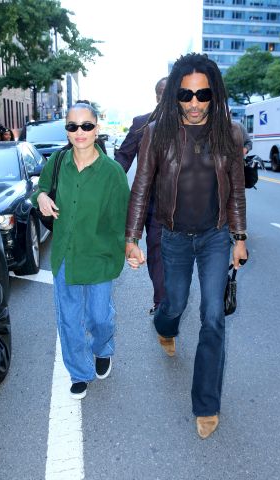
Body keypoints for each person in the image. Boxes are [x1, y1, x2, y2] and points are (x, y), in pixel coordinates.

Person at [125, 53, 248, 439]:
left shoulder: (227, 133)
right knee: (173, 305)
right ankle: (165, 327)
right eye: (186, 94)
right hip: (173, 236)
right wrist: (132, 237)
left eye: (202, 94)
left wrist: (239, 238)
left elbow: (237, 191)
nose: (194, 103)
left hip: (214, 238)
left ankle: (207, 404)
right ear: (174, 95)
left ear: (214, 93)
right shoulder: (156, 132)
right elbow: (142, 186)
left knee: (213, 316)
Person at [31, 103, 130, 400]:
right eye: (73, 126)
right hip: (65, 255)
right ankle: (79, 371)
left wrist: (128, 248)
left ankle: (103, 348)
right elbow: (40, 188)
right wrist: (42, 197)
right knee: (70, 319)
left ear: (97, 129)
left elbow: (121, 220)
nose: (80, 132)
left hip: (99, 257)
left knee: (100, 317)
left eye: (86, 126)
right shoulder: (58, 161)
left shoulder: (112, 173)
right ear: (67, 130)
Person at [114, 77, 167, 315]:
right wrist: (106, 180)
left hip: (186, 205)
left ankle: (170, 301)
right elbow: (123, 158)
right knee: (157, 253)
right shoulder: (141, 124)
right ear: (156, 96)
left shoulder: (191, 123)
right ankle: (161, 304)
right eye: (161, 93)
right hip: (153, 204)